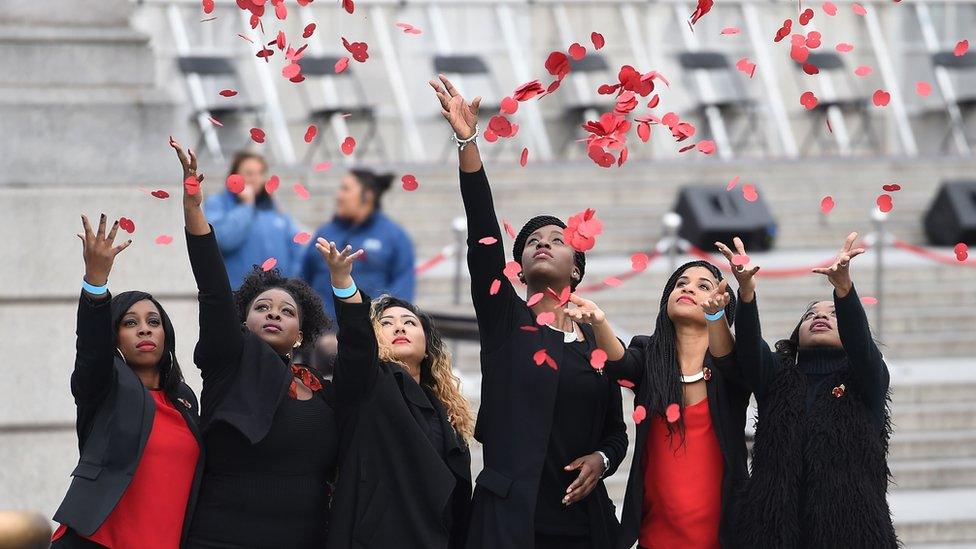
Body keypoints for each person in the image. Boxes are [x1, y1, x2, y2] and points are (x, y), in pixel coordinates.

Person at [429, 75, 627, 549]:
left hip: (581, 524)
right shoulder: (504, 319)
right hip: (508, 521)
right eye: (532, 242)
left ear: (576, 269)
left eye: (557, 240)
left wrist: (602, 458)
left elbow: (616, 433)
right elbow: (483, 234)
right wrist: (467, 141)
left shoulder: (596, 341)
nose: (542, 243)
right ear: (517, 269)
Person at [170, 138, 339, 548]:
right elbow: (212, 286)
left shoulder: (320, 390)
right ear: (241, 322)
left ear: (301, 332)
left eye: (287, 310)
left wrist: (345, 286)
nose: (274, 313)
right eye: (262, 307)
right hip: (223, 536)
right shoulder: (229, 361)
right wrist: (194, 208)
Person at [719, 234, 898, 548]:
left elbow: (862, 345)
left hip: (854, 534)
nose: (820, 316)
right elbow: (749, 349)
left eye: (832, 314)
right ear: (796, 335)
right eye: (811, 314)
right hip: (772, 532)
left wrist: (843, 288)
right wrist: (746, 291)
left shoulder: (867, 377)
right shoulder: (776, 375)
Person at [568, 261, 750, 549]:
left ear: (723, 306)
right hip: (655, 538)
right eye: (681, 283)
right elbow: (620, 365)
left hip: (723, 538)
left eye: (703, 286)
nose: (688, 287)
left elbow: (734, 357)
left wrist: (717, 318)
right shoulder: (648, 353)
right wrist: (600, 323)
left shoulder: (734, 364)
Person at [52, 214, 202, 548]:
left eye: (153, 321)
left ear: (166, 334)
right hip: (96, 541)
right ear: (115, 337)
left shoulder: (185, 399)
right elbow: (91, 350)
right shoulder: (104, 385)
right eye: (130, 322)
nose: (145, 329)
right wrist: (96, 281)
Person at [318, 240, 473, 548]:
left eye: (409, 322)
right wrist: (343, 282)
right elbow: (356, 338)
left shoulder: (444, 409)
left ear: (427, 344)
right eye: (386, 323)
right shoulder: (368, 382)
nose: (399, 327)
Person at [302, 169, 416, 375]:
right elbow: (303, 280)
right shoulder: (325, 233)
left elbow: (401, 294)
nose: (339, 195)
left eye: (346, 189)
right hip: (320, 340)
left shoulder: (394, 236)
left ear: (368, 196)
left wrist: (373, 335)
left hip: (371, 342)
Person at [204, 150, 305, 288]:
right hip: (237, 295)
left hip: (277, 295)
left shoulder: (273, 207)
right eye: (249, 173)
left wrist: (291, 284)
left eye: (260, 173)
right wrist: (246, 205)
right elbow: (224, 240)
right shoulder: (218, 203)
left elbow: (297, 248)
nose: (255, 178)